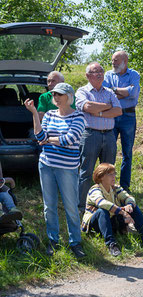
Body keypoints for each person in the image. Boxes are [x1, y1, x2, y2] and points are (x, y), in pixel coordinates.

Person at [24, 83, 87, 258]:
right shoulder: (50, 114)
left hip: (67, 168)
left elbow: (70, 139)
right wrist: (35, 113)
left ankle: (75, 242)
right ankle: (53, 240)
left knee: (71, 207)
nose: (56, 97)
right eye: (54, 94)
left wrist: (48, 140)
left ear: (69, 96)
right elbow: (39, 136)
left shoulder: (79, 117)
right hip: (46, 165)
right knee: (49, 206)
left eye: (60, 94)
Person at [82, 163, 143, 256]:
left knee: (133, 207)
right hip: (96, 224)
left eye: (114, 173)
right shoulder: (95, 189)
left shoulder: (115, 188)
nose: (114, 176)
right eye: (110, 174)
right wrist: (122, 212)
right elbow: (102, 203)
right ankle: (111, 244)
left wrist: (129, 205)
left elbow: (128, 197)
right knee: (102, 211)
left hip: (112, 221)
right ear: (101, 176)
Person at [76, 62, 122, 211]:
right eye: (96, 71)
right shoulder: (82, 91)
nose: (100, 73)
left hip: (109, 136)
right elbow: (87, 107)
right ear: (88, 76)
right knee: (86, 171)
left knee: (108, 172)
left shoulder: (109, 91)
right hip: (90, 135)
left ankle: (108, 204)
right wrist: (107, 105)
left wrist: (99, 112)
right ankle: (82, 205)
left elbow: (118, 111)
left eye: (101, 71)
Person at [103, 51, 141, 191]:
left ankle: (124, 186)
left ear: (125, 61)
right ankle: (108, 184)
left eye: (116, 60)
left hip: (128, 117)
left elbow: (134, 93)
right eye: (112, 60)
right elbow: (107, 95)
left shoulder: (134, 74)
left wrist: (114, 92)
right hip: (112, 115)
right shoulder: (108, 74)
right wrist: (122, 92)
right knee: (109, 151)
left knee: (127, 152)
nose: (113, 63)